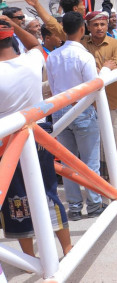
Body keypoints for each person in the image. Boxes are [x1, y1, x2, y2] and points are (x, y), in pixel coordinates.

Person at [0, 15, 73, 257]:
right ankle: (67, 247)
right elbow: (33, 44)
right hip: (39, 134)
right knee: (47, 191)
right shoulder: (31, 60)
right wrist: (12, 24)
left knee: (16, 198)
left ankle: (29, 257)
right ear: (11, 38)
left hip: (6, 140)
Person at [46, 12, 105, 220]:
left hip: (60, 111)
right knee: (90, 161)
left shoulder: (53, 56)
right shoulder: (84, 56)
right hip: (82, 109)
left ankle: (74, 206)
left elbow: (53, 86)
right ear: (83, 29)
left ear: (63, 29)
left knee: (67, 162)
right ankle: (94, 203)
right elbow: (93, 87)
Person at [82, 11, 117, 161]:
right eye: (95, 25)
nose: (99, 28)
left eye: (102, 24)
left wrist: (98, 71)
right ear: (88, 27)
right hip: (89, 105)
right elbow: (58, 30)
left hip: (114, 102)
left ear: (107, 25)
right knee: (95, 145)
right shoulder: (81, 43)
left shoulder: (116, 44)